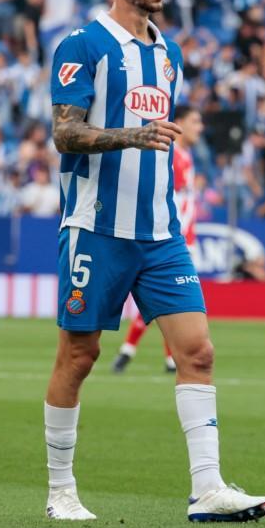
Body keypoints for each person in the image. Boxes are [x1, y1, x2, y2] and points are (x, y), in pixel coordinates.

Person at [43, 0, 265, 523]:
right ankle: (61, 491)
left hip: (160, 232)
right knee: (80, 353)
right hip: (96, 226)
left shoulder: (166, 52)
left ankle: (208, 488)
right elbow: (64, 133)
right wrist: (130, 135)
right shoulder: (83, 45)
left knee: (196, 351)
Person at [110, 106, 206, 374]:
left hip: (186, 238)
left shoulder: (187, 156)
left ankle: (156, 356)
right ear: (180, 124)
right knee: (169, 299)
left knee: (172, 301)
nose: (200, 127)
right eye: (196, 121)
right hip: (174, 239)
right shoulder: (172, 155)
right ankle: (135, 351)